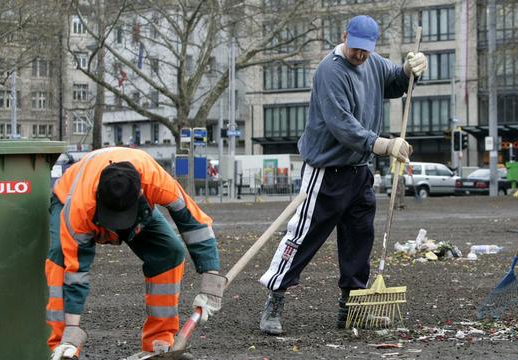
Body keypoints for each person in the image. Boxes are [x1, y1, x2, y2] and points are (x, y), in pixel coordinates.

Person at [257, 14, 426, 335]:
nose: (360, 55)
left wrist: (408, 70)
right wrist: (382, 143)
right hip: (325, 171)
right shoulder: (330, 70)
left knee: (359, 237)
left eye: (366, 50)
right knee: (302, 236)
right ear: (344, 36)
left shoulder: (373, 63)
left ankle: (352, 308)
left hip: (359, 171)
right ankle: (274, 300)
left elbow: (393, 81)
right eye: (356, 48)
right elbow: (341, 124)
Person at [46, 147, 226, 359]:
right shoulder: (78, 208)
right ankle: (63, 347)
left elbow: (194, 223)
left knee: (169, 252)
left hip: (136, 209)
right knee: (61, 261)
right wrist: (71, 334)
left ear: (141, 192)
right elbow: (75, 274)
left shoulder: (156, 180)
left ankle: (158, 343)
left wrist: (212, 283)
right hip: (73, 200)